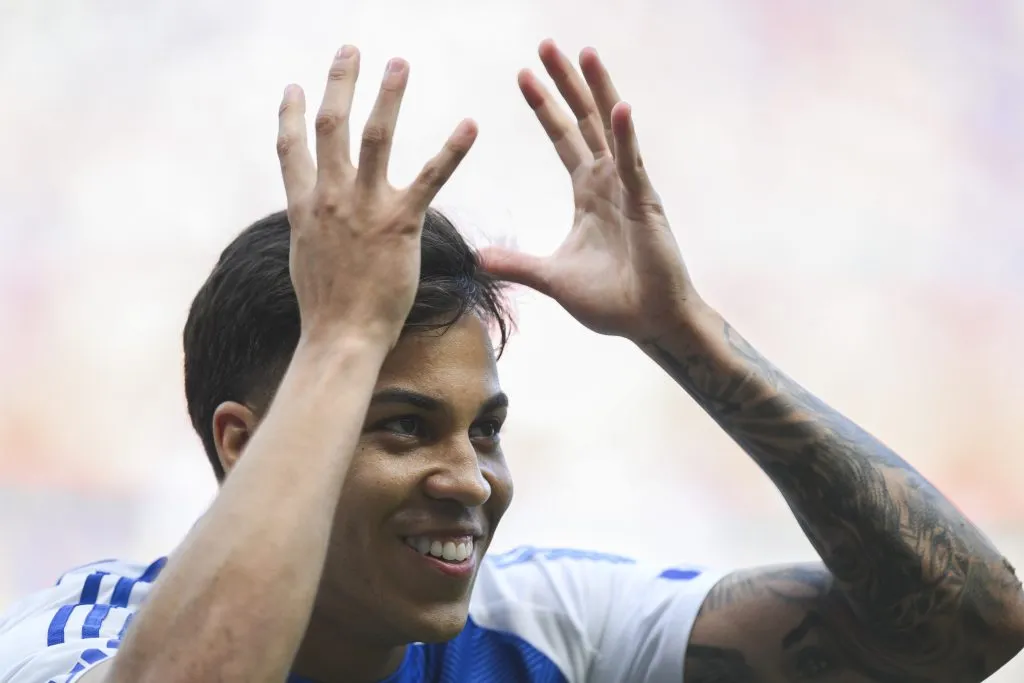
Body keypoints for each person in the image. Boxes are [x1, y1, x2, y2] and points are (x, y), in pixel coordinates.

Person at [1, 39, 1022, 683]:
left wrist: (690, 337)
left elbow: (966, 628)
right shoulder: (73, 641)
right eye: (403, 423)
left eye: (482, 427)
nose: (469, 478)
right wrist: (343, 335)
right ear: (244, 441)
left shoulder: (547, 627)